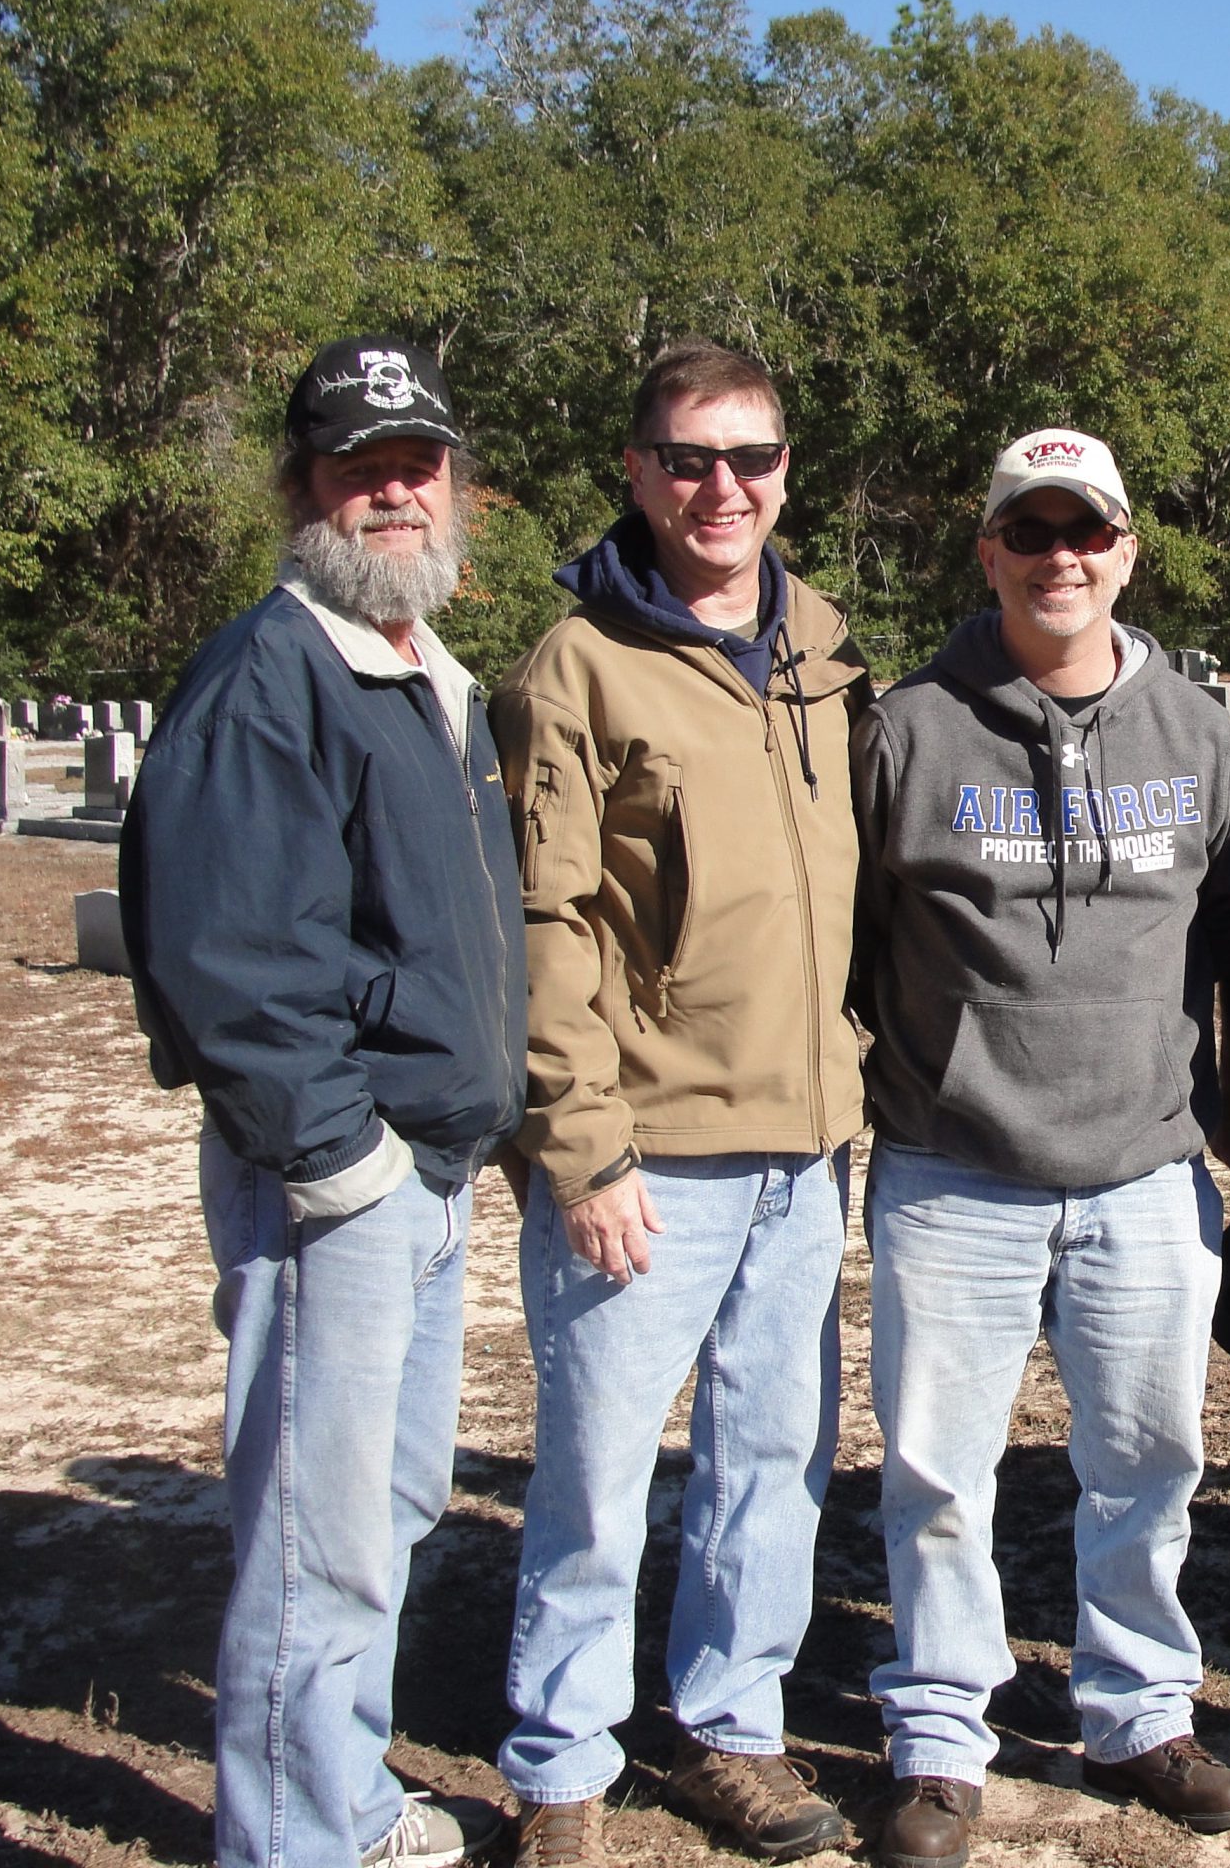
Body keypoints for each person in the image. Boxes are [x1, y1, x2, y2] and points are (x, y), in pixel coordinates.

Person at [121, 335, 524, 1868]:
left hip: (424, 1176)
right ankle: (286, 1840)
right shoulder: (269, 674)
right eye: (358, 468)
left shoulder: (421, 672)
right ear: (303, 488)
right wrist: (337, 1161)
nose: (394, 493)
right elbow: (227, 956)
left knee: (387, 1516)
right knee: (316, 1545)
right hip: (339, 1185)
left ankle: (343, 1801)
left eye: (416, 465)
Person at [490, 341, 872, 1868]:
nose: (726, 488)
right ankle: (562, 1765)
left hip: (805, 1150)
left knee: (768, 1464)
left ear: (787, 474)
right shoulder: (571, 669)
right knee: (594, 1476)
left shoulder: (827, 656)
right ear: (639, 475)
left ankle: (732, 1729)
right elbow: (543, 923)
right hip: (645, 1159)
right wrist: (579, 1149)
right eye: (692, 459)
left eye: (754, 459)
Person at [851, 428, 1230, 1868]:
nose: (1060, 556)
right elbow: (857, 948)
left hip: (1147, 1169)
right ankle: (943, 1741)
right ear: (989, 553)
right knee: (942, 1474)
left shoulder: (1205, 738)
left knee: (1149, 1463)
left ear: (1128, 552)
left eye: (1087, 531)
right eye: (1030, 531)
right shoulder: (908, 728)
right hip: (951, 1171)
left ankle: (1141, 1714)